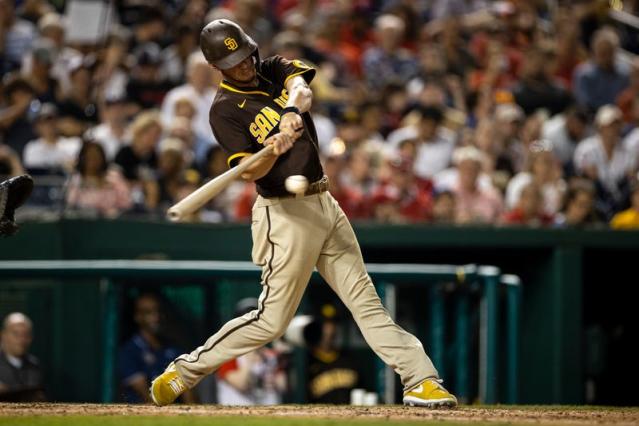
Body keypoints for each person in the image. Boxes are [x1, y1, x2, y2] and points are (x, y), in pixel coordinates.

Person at [150, 19, 456, 408]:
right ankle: (185, 371)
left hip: (325, 201)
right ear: (217, 67)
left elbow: (302, 87)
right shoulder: (224, 110)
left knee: (366, 302)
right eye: (233, 61)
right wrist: (272, 148)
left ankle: (420, 379)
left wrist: (291, 111)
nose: (244, 65)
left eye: (245, 55)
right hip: (284, 213)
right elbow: (249, 171)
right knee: (271, 321)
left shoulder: (272, 70)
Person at [119, 293, 194, 403]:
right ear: (138, 317)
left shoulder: (173, 348)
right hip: (142, 413)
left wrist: (191, 412)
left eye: (159, 311)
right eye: (149, 312)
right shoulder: (130, 350)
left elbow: (186, 389)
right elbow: (146, 394)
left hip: (175, 412)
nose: (156, 317)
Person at [216, 298, 286, 405]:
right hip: (236, 415)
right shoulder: (228, 354)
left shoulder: (271, 355)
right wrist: (250, 356)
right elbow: (241, 384)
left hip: (269, 414)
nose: (252, 327)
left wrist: (283, 359)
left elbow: (283, 386)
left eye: (256, 322)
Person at [0, 312, 45, 401]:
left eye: (25, 335)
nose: (21, 340)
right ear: (3, 335)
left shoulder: (35, 365)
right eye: (16, 334)